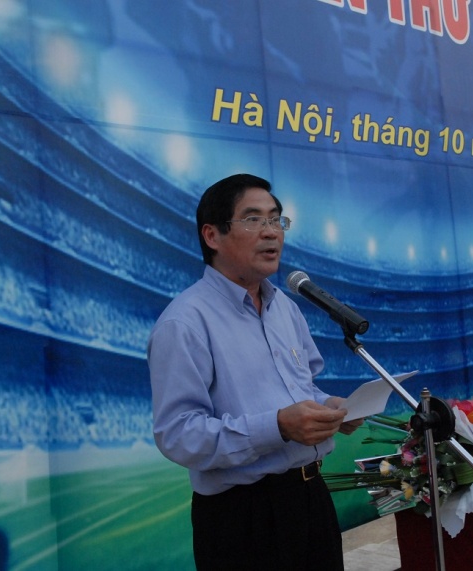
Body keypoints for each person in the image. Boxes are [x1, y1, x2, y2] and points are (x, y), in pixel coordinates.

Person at [147, 173, 363, 570]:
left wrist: (328, 406)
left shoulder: (285, 307)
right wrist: (278, 426)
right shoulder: (184, 323)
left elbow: (301, 388)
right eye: (253, 220)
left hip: (312, 497)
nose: (271, 232)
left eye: (276, 220)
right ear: (212, 235)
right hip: (242, 517)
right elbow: (178, 434)